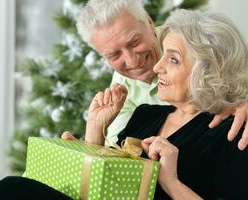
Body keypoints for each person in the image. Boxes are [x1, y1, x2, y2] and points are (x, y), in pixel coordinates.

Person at [81, 9, 248, 199]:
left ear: (208, 71)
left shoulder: (235, 133)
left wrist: (170, 181)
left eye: (174, 60)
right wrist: (95, 127)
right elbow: (102, 186)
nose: (157, 67)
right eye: (164, 56)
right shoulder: (145, 114)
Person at [76, 0, 248, 150]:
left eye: (134, 42)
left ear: (150, 23)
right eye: (114, 55)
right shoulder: (122, 88)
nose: (132, 61)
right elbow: (118, 155)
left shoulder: (198, 42)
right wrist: (94, 131)